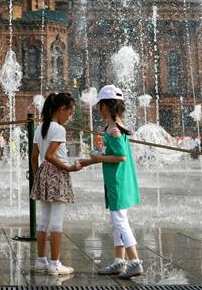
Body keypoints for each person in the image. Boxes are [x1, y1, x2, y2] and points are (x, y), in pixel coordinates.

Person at [79, 85, 143, 279]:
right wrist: (91, 159)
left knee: (119, 221)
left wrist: (98, 158)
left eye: (100, 105)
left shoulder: (114, 129)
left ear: (106, 106)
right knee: (116, 221)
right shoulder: (113, 126)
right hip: (115, 179)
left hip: (117, 181)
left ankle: (135, 262)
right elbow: (112, 153)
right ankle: (119, 261)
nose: (98, 109)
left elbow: (121, 156)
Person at [30, 92, 82, 276]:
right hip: (57, 174)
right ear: (62, 109)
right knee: (57, 222)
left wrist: (38, 178)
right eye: (70, 112)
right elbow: (50, 156)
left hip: (44, 173)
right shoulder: (59, 130)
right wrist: (69, 168)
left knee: (44, 220)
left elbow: (34, 157)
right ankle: (55, 264)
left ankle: (41, 260)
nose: (70, 117)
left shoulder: (40, 128)